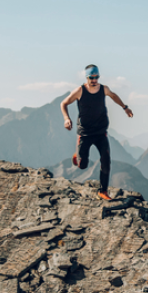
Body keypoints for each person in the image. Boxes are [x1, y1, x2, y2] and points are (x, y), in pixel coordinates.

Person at [60, 64, 133, 200]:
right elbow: (63, 103)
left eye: (96, 77)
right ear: (86, 77)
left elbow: (113, 95)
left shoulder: (103, 89)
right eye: (91, 77)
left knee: (106, 160)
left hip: (101, 132)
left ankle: (103, 191)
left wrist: (125, 107)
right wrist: (66, 118)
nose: (94, 80)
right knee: (82, 165)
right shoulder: (79, 91)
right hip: (85, 133)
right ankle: (78, 156)